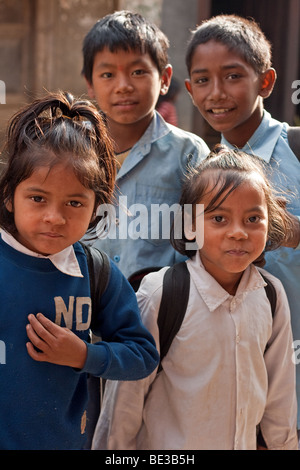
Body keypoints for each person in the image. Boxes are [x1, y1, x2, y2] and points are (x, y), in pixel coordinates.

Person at [92, 145, 298, 450]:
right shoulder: (162, 293)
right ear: (190, 224)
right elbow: (124, 404)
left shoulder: (270, 295)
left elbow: (280, 397)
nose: (238, 232)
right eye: (219, 219)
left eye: (253, 218)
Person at [0, 91, 159, 450]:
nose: (55, 217)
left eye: (74, 203)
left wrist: (84, 356)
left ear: (96, 209)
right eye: (37, 198)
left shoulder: (94, 272)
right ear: (10, 195)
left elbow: (142, 356)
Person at [184, 14, 300, 430]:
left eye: (233, 76)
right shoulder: (202, 170)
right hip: (237, 371)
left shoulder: (297, 148)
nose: (216, 93)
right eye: (202, 80)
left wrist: (294, 232)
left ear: (266, 82)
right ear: (187, 89)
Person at [81, 10, 209, 286]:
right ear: (89, 84)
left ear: (164, 78)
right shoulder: (72, 149)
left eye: (138, 72)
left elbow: (202, 245)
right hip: (80, 310)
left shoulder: (188, 153)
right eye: (107, 74)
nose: (123, 86)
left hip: (158, 314)